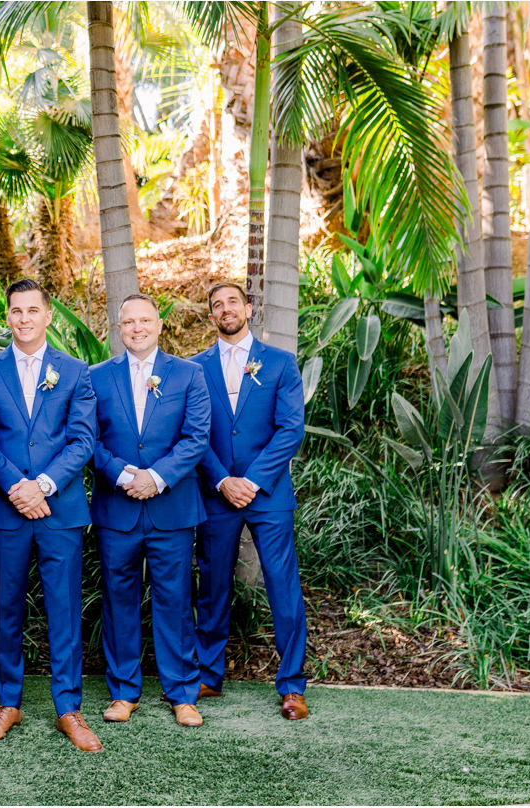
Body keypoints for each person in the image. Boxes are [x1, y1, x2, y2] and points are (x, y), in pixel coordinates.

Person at [0, 279, 101, 752]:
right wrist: (16, 487)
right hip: (7, 512)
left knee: (63, 609)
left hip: (59, 510)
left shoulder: (74, 371)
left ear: (49, 315)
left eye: (33, 310)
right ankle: (8, 702)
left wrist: (42, 486)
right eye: (16, 311)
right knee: (5, 608)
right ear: (7, 316)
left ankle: (68, 707)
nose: (24, 318)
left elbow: (82, 440)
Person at [89, 293, 211, 728]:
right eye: (129, 322)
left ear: (160, 325)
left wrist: (155, 477)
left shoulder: (189, 374)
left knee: (175, 601)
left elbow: (196, 436)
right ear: (118, 329)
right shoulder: (96, 377)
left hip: (171, 508)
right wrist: (125, 476)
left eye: (145, 321)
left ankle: (181, 692)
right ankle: (124, 692)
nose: (137, 328)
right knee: (119, 600)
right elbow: (89, 440)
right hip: (116, 509)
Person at [192, 282, 308, 720]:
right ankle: (207, 674)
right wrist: (223, 479)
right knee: (213, 585)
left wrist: (253, 481)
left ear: (249, 308)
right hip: (216, 493)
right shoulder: (193, 369)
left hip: (269, 495)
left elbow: (290, 430)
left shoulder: (280, 363)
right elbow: (193, 433)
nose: (225, 309)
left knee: (283, 587)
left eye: (232, 302)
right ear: (211, 316)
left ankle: (292, 685)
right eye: (216, 304)